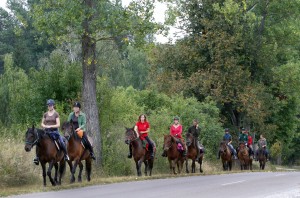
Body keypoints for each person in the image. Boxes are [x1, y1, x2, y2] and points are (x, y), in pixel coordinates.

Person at [33, 99, 70, 165]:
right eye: (48, 105)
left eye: (50, 105)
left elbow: (58, 124)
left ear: (53, 105)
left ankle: (66, 155)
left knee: (61, 141)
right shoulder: (45, 114)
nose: (49, 106)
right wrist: (44, 125)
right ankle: (37, 157)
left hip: (54, 131)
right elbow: (42, 123)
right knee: (38, 141)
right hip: (46, 131)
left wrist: (50, 126)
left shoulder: (56, 114)